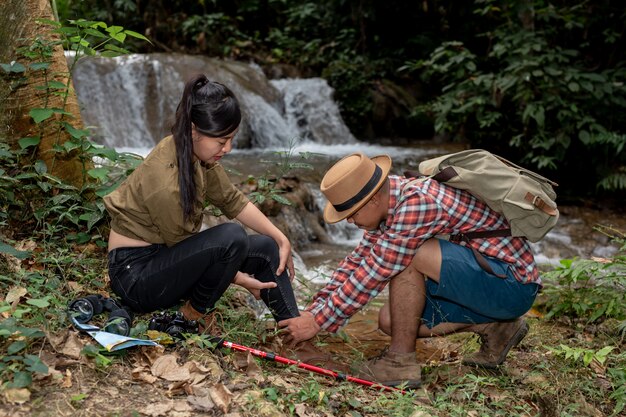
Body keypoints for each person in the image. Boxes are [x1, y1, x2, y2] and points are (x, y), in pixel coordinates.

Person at [278, 152, 540, 388]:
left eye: (351, 213)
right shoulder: (391, 201)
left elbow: (376, 270)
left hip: (513, 285)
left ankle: (400, 362)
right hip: (491, 282)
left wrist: (318, 322)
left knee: (408, 256)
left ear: (372, 201)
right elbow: (358, 260)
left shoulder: (417, 203)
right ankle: (497, 328)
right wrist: (316, 308)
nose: (349, 221)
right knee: (391, 321)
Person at [103, 74, 301, 334]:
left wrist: (280, 237)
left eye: (231, 139)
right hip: (135, 276)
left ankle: (294, 331)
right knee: (231, 236)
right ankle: (190, 316)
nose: (228, 148)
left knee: (265, 246)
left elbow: (232, 200)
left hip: (163, 259)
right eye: (221, 141)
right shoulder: (166, 179)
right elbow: (187, 247)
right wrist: (239, 279)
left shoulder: (194, 153)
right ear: (194, 131)